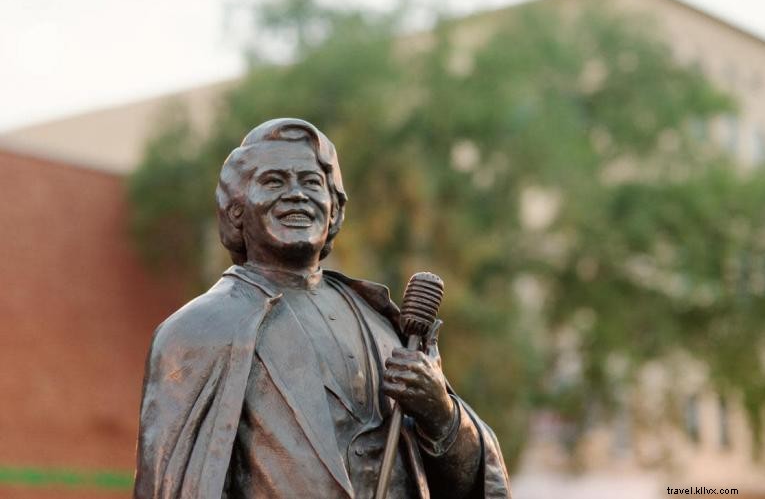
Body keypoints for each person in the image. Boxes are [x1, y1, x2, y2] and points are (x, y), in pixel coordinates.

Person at [133, 118, 511, 499]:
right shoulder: (196, 332)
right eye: (274, 182)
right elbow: (171, 486)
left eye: (312, 182)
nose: (297, 194)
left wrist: (443, 416)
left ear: (335, 211)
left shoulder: (384, 324)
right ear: (235, 210)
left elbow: (479, 481)